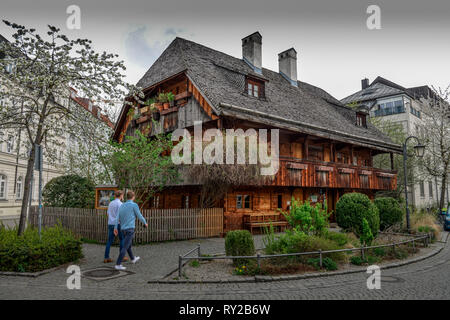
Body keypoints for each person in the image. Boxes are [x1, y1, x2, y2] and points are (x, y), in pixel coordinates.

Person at [114, 190, 148, 270]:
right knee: (125, 247)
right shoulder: (134, 205)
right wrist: (145, 223)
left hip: (123, 229)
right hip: (130, 229)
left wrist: (115, 227)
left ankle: (133, 259)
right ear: (133, 197)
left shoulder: (122, 205)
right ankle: (118, 264)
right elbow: (139, 216)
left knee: (128, 245)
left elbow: (117, 218)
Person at [104, 190, 128, 263]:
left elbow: (108, 214)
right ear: (121, 196)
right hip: (118, 224)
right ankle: (122, 256)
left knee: (109, 241)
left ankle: (106, 257)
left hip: (110, 223)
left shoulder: (111, 203)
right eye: (123, 195)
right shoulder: (121, 204)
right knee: (122, 239)